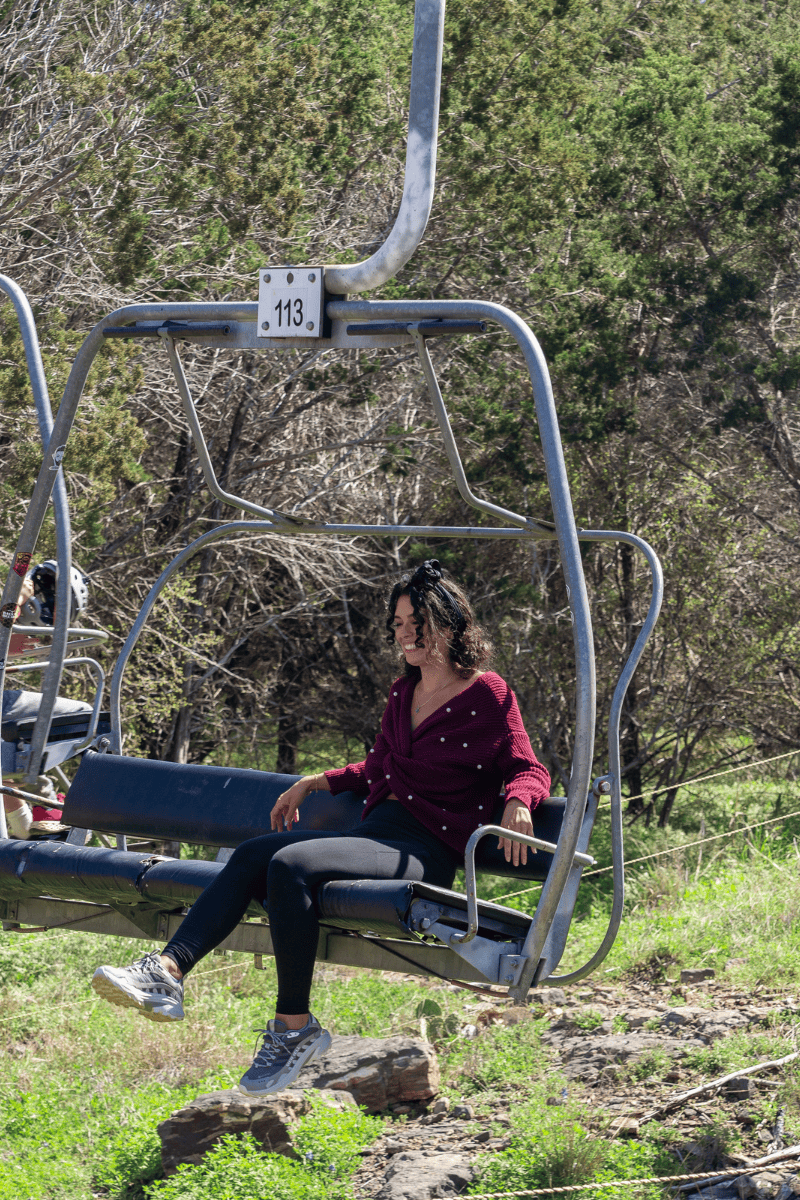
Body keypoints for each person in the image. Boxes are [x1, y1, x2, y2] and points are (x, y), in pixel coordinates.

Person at [90, 560, 551, 1095]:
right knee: (258, 852)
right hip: (379, 829)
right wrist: (318, 781)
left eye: (414, 622)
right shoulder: (404, 694)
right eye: (398, 623)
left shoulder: (488, 694)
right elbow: (381, 766)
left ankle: (293, 1027)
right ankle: (168, 973)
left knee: (288, 863)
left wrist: (518, 801)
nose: (403, 634)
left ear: (447, 622)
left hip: (426, 848)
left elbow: (527, 766)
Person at [2, 562, 92, 838]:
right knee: (83, 716)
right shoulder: (10, 605)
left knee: (15, 744)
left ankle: (29, 822)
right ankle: (57, 809)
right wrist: (16, 599)